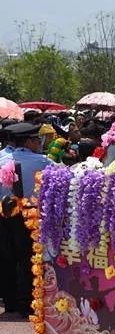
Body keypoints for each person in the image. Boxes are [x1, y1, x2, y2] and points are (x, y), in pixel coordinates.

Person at [0, 122, 55, 316]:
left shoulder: (1, 158)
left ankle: (10, 302)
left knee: (6, 258)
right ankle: (26, 303)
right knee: (27, 258)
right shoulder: (42, 161)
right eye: (37, 140)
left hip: (3, 214)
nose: (39, 143)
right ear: (29, 142)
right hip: (28, 214)